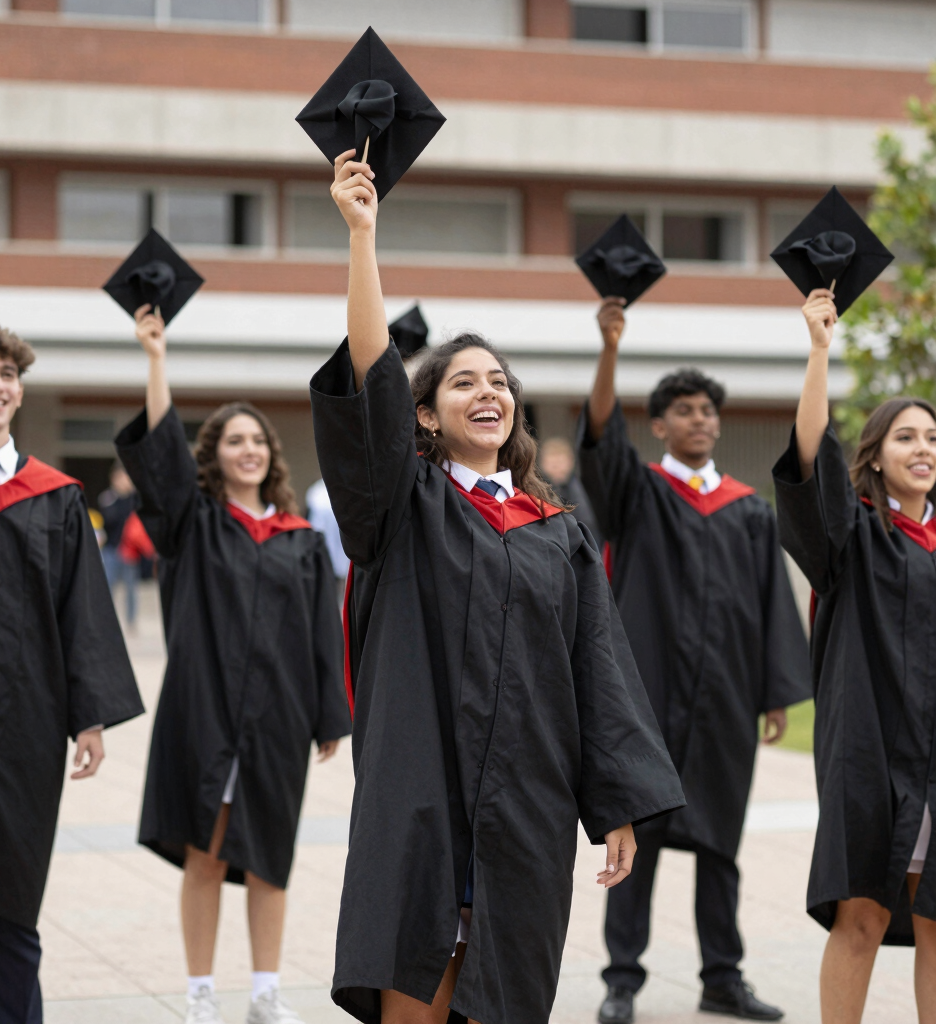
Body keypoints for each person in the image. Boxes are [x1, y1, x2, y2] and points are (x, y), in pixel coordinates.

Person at [310, 149, 685, 1024]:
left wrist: (618, 802)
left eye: (500, 383)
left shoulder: (557, 532)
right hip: (422, 790)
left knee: (506, 993)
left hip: (528, 798)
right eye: (463, 382)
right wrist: (363, 238)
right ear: (427, 415)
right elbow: (369, 387)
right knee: (418, 989)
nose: (489, 393)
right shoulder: (406, 507)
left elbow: (599, 669)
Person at [579, 298, 811, 1024]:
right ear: (660, 425)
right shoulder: (638, 492)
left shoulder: (749, 511)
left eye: (708, 410)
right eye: (683, 409)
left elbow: (772, 600)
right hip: (644, 699)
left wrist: (774, 691)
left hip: (723, 700)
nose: (700, 419)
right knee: (635, 841)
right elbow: (600, 439)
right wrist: (610, 348)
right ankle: (621, 980)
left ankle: (722, 977)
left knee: (721, 846)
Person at [116, 306, 351, 1024]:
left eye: (258, 440)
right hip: (205, 711)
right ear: (214, 454)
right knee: (207, 855)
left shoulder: (301, 541)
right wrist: (157, 357)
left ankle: (265, 991)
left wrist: (329, 714)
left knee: (270, 857)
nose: (247, 450)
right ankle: (198, 994)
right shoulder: (193, 526)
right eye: (233, 440)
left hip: (278, 718)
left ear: (271, 455)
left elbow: (323, 634)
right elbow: (158, 460)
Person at [0, 326, 143, 1024]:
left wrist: (91, 714)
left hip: (23, 729)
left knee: (16, 925)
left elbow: (82, 610)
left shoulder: (60, 497)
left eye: (8, 373)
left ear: (20, 390)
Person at [773, 287, 936, 1024]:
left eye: (932, 438)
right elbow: (809, 456)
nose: (923, 449)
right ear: (873, 454)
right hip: (869, 751)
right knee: (862, 916)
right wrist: (819, 353)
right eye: (905, 437)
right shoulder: (853, 537)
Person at [98, 461, 141, 626]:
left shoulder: (135, 499)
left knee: (131, 588)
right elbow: (109, 519)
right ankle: (106, 619)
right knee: (108, 586)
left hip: (130, 550)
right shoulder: (108, 497)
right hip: (111, 549)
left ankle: (131, 621)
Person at [537, 435, 600, 544]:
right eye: (553, 464)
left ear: (571, 461)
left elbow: (588, 523)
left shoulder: (583, 487)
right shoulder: (536, 491)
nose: (557, 468)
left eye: (560, 463)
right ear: (543, 463)